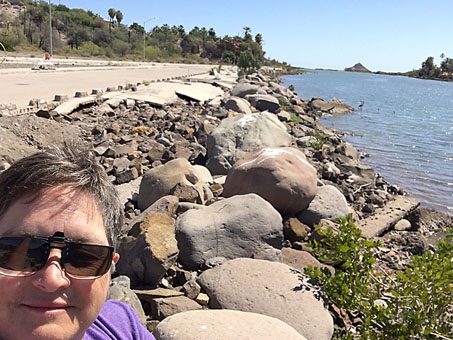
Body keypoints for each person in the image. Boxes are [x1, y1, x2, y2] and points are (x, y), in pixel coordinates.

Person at [0, 141, 155, 340]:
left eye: (82, 257)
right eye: (19, 251)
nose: (52, 280)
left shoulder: (121, 326)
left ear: (110, 270)